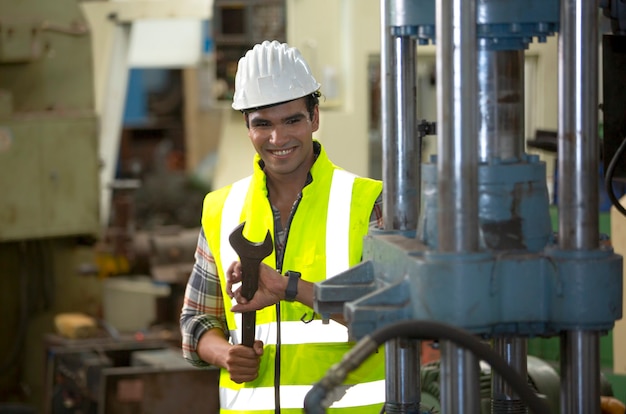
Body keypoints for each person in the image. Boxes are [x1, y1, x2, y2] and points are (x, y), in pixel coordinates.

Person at [180, 39, 385, 413]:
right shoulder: (221, 208)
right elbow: (196, 320)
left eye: (292, 120)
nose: (278, 139)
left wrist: (292, 288)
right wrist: (223, 353)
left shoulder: (368, 203)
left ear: (315, 117)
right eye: (263, 124)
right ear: (247, 126)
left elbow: (394, 320)